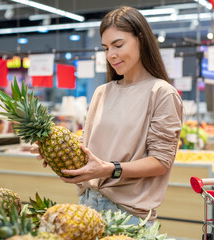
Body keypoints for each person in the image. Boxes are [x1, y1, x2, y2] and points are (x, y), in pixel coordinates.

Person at [31, 6, 183, 225]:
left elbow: (160, 161)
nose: (111, 55)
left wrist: (110, 169)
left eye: (118, 45)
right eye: (106, 48)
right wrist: (54, 148)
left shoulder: (161, 93)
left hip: (128, 216)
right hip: (88, 206)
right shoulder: (102, 92)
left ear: (140, 39)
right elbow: (89, 144)